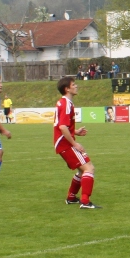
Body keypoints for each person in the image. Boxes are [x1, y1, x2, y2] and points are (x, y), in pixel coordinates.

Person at [54, 76, 97, 209]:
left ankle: (71, 197)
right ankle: (85, 202)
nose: (76, 86)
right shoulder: (66, 104)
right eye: (73, 84)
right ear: (67, 89)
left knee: (81, 171)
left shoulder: (64, 102)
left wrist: (75, 132)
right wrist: (74, 143)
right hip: (65, 143)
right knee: (89, 168)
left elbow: (62, 125)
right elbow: (62, 127)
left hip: (62, 142)